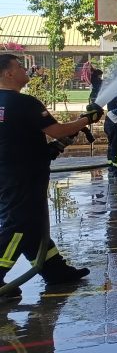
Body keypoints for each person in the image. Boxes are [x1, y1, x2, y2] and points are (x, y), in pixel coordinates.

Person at [0, 53, 97, 296]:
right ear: (8, 73)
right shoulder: (24, 102)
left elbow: (13, 138)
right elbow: (58, 130)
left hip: (10, 173)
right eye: (20, 66)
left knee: (32, 223)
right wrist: (87, 119)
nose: (26, 70)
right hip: (24, 176)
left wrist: (49, 150)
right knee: (19, 225)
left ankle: (55, 271)